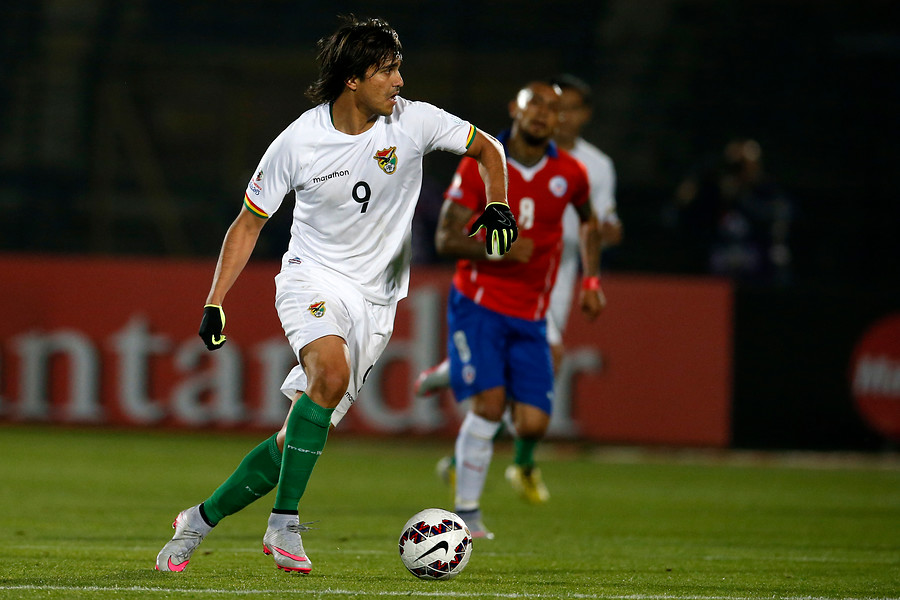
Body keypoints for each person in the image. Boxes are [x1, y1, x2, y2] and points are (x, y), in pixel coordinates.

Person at [154, 16, 516, 574]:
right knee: (329, 374)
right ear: (353, 78)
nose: (399, 81)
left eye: (398, 68)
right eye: (387, 70)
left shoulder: (414, 121)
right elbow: (248, 223)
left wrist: (498, 202)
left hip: (378, 302)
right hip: (313, 277)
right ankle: (284, 524)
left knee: (292, 441)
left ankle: (199, 520)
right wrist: (215, 299)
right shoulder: (299, 141)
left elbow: (488, 147)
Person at [415, 74, 618, 502]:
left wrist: (592, 278)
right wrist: (499, 252)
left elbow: (595, 220)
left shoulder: (588, 168)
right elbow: (446, 238)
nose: (547, 114)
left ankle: (468, 391)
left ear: (570, 117)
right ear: (516, 108)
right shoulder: (487, 159)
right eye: (536, 104)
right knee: (513, 386)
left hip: (554, 278)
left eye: (557, 108)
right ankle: (501, 473)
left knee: (532, 419)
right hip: (491, 293)